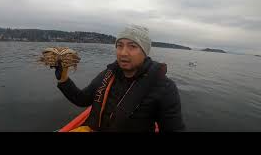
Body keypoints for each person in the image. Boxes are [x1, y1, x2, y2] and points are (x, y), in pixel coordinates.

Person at [54, 25, 185, 132]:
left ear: (145, 52)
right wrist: (63, 79)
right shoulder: (108, 74)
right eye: (119, 45)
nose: (123, 52)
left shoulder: (164, 87)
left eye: (132, 46)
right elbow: (82, 99)